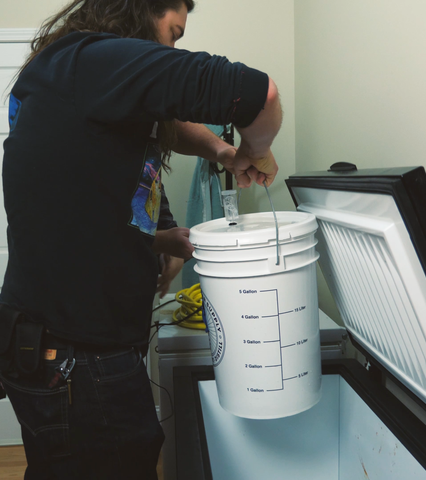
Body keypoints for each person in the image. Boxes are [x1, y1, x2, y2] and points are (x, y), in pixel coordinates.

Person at [0, 0, 282, 478]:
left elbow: (82, 206)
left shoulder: (71, 73)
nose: (174, 46)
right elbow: (259, 92)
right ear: (139, 11)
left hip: (60, 343)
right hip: (76, 354)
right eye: (173, 32)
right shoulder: (92, 60)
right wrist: (257, 149)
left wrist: (219, 153)